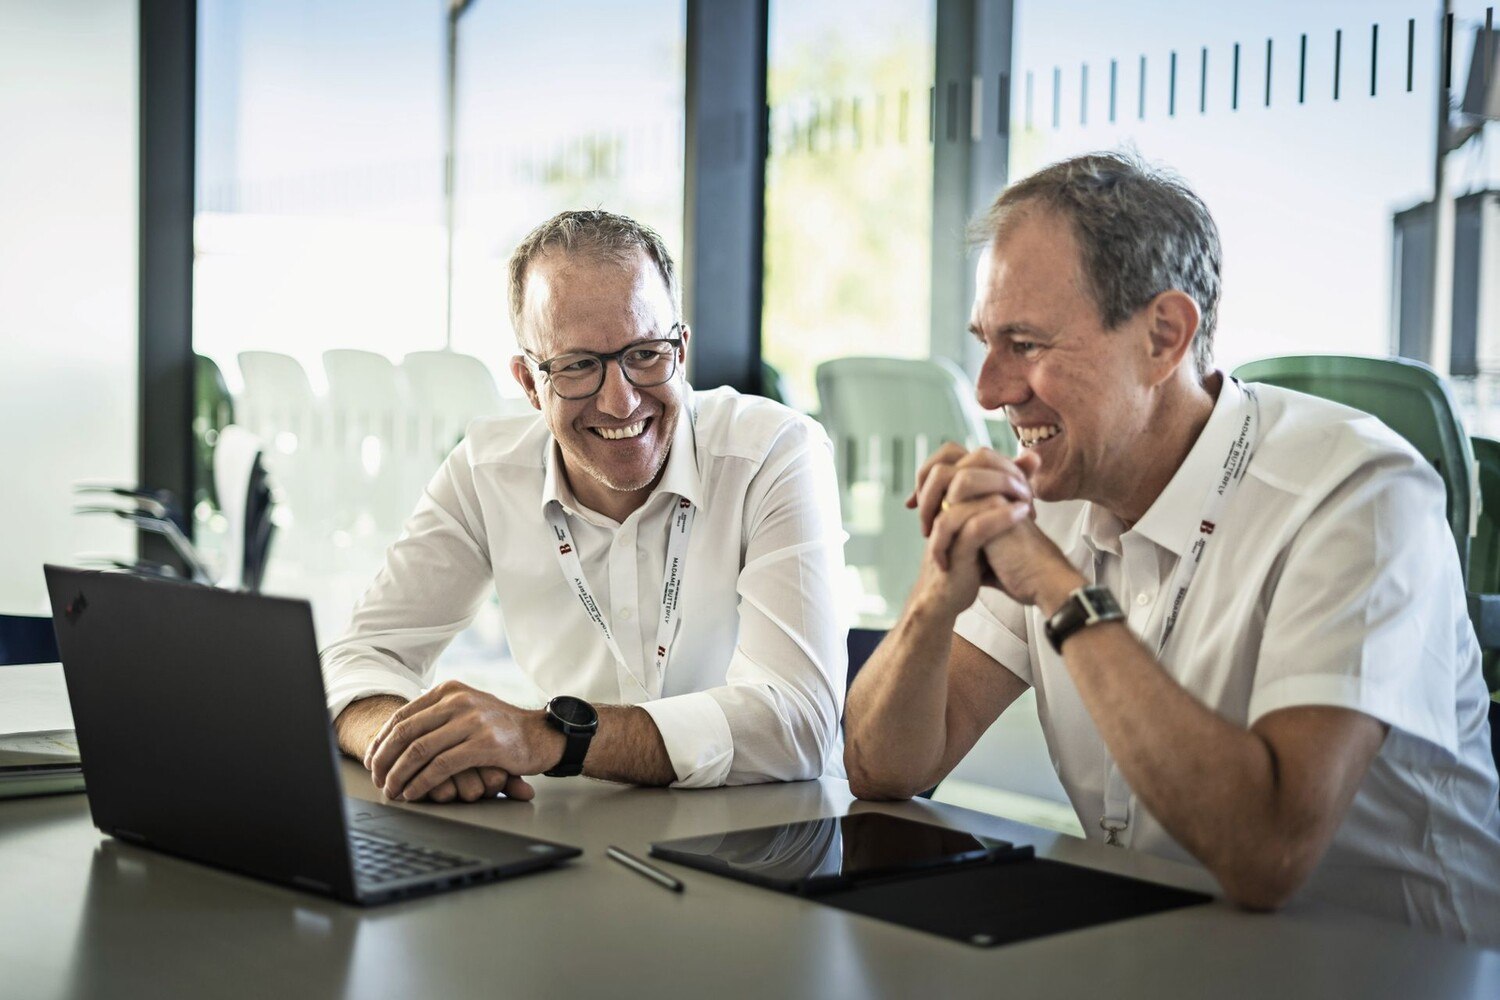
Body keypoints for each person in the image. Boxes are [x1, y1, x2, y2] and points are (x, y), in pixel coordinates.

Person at [843, 152, 1500, 945]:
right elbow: (885, 767)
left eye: (1025, 343)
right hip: (1157, 951)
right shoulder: (1054, 490)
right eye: (987, 341)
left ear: (1163, 336)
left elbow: (1268, 852)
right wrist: (935, 594)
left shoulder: (1359, 494)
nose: (988, 390)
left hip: (1390, 969)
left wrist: (1059, 591)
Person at [323, 209, 847, 804]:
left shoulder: (774, 453)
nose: (621, 400)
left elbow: (798, 722)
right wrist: (419, 748)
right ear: (528, 382)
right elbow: (357, 659)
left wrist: (551, 737)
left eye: (646, 353)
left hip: (767, 841)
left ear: (682, 347)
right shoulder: (485, 471)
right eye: (577, 366)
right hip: (577, 833)